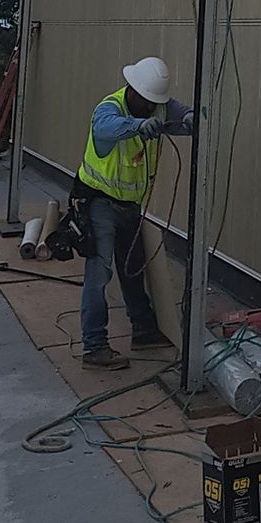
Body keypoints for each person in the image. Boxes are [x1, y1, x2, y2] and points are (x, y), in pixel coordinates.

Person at [72, 56, 193, 369]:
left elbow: (178, 113)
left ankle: (143, 329)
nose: (153, 107)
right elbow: (107, 128)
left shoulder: (157, 107)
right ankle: (94, 346)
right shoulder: (109, 109)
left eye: (156, 103)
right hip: (98, 203)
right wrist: (138, 126)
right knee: (99, 275)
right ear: (133, 91)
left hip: (129, 206)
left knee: (132, 267)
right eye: (147, 102)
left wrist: (192, 117)